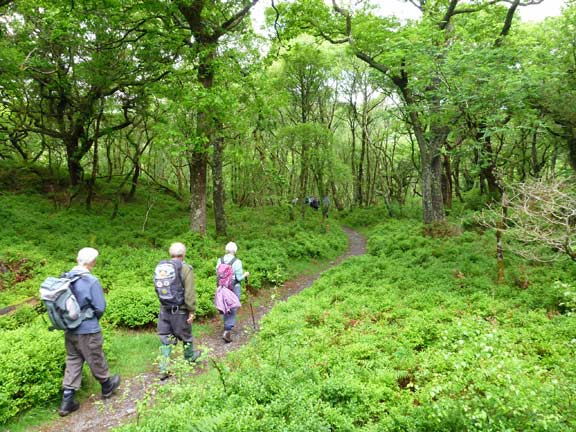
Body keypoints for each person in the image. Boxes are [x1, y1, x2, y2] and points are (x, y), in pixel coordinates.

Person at [58, 247, 120, 417]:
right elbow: (100, 307)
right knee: (95, 356)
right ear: (92, 262)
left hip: (69, 329)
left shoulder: (66, 278)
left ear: (78, 259)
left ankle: (67, 401)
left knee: (73, 360)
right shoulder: (91, 281)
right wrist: (92, 319)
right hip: (87, 329)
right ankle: (107, 385)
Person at [156, 242, 201, 379]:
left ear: (170, 254)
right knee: (186, 336)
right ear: (184, 254)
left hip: (164, 309)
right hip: (180, 310)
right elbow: (189, 293)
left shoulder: (161, 268)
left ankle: (164, 368)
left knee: (166, 338)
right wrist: (191, 310)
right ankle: (189, 358)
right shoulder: (186, 269)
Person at [216, 242, 249, 343]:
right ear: (235, 250)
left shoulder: (220, 260)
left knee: (225, 306)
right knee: (232, 306)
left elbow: (217, 274)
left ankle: (226, 326)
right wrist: (246, 274)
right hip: (234, 287)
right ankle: (227, 330)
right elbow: (239, 278)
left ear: (226, 250)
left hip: (222, 287)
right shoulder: (237, 262)